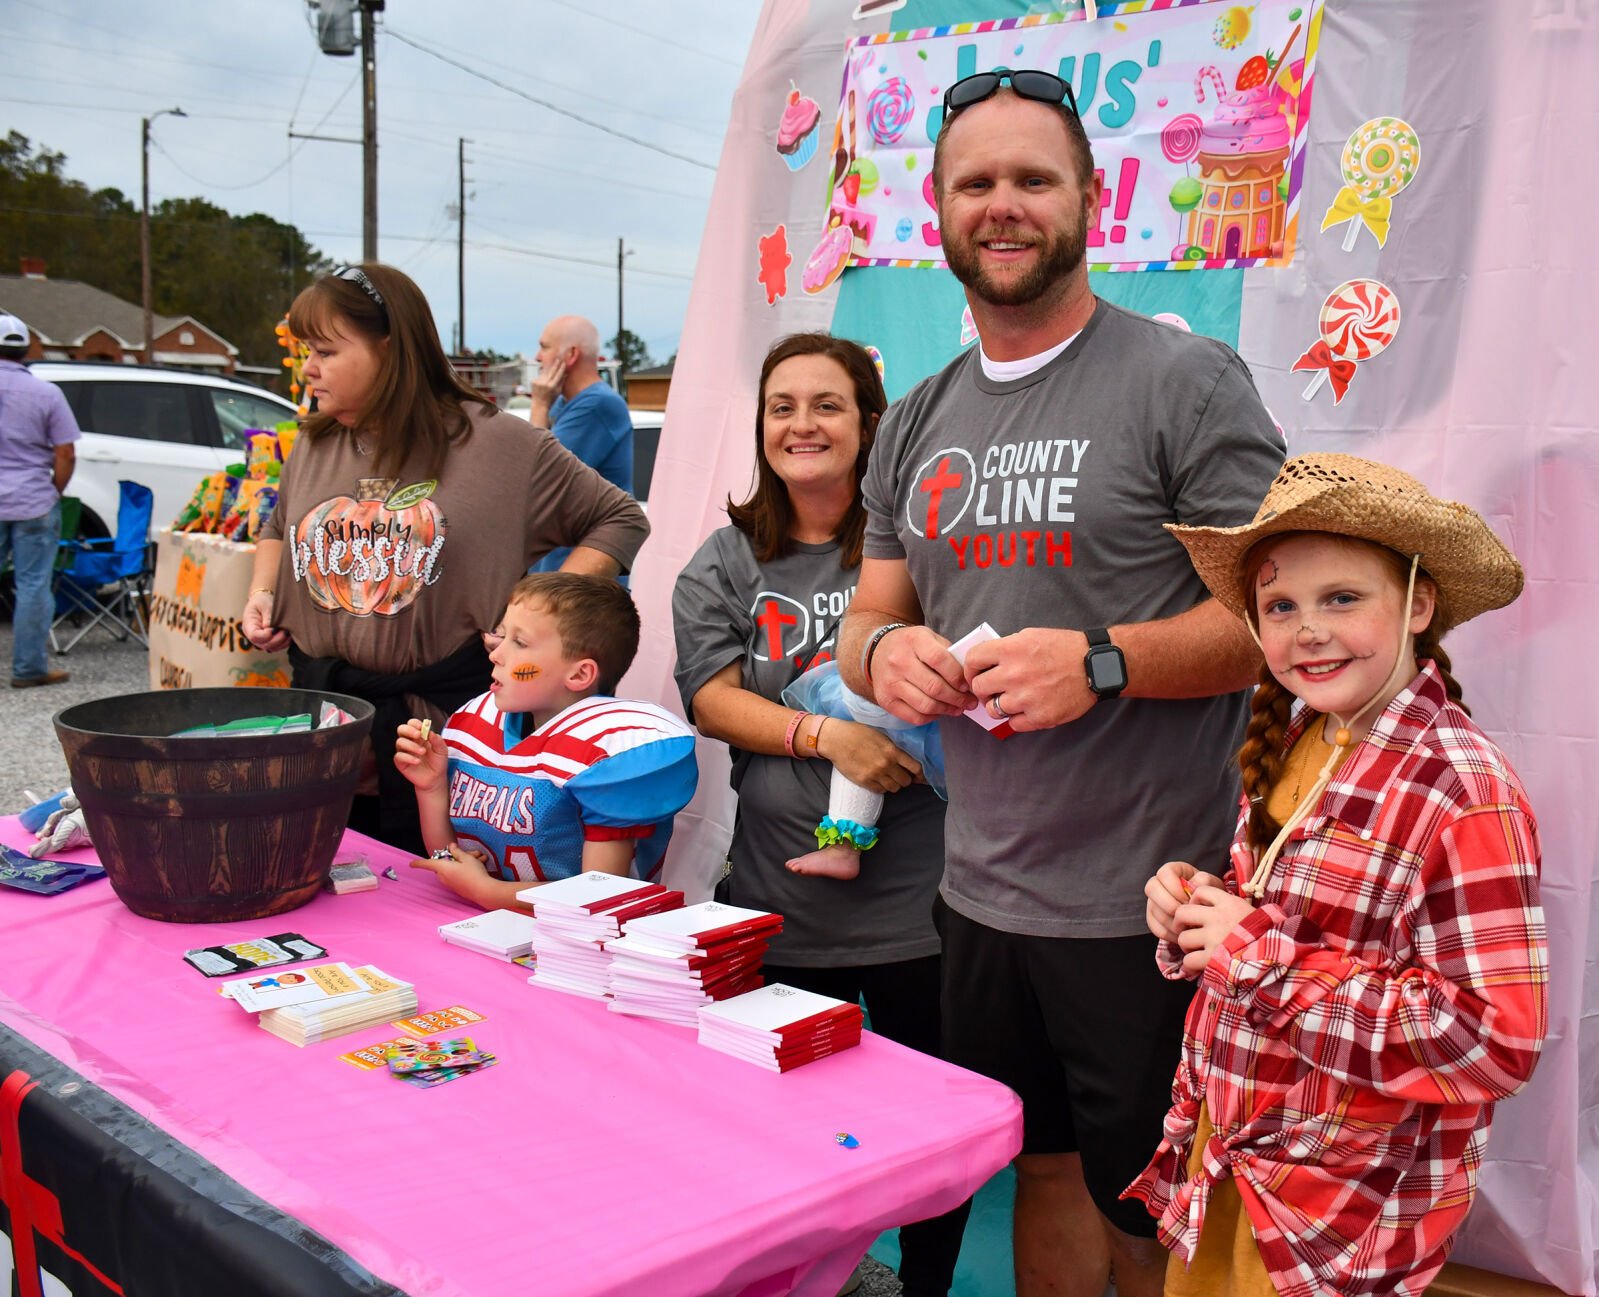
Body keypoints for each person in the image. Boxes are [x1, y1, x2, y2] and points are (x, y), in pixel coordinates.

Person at [836, 70, 1285, 1297]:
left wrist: (1101, 662)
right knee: (1034, 1169)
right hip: (980, 896)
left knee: (1149, 1211)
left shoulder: (1184, 383)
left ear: (1091, 199)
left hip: (1151, 905)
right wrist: (886, 657)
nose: (1005, 204)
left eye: (1034, 178)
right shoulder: (915, 419)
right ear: (937, 213)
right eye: (976, 182)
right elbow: (869, 617)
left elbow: (1274, 627)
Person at [1128, 453, 1546, 1297]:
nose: (1304, 628)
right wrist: (1200, 910)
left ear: (1418, 604)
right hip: (1234, 1163)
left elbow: (1492, 1041)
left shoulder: (1461, 789)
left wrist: (1254, 954)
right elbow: (1285, 920)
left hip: (1338, 1219)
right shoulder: (1302, 737)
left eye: (1341, 597)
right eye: (1278, 605)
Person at [673, 333, 962, 1297]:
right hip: (776, 906)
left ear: (870, 423)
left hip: (920, 912)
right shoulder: (724, 561)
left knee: (927, 1139)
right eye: (781, 406)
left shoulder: (917, 547)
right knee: (772, 1133)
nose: (802, 424)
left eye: (827, 404)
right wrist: (825, 738)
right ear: (760, 429)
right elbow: (709, 698)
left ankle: (921, 1287)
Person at [242, 265, 648, 854]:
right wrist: (262, 591)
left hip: (442, 748)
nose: (309, 369)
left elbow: (620, 518)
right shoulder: (314, 441)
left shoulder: (500, 447)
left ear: (390, 348)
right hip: (326, 730)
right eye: (307, 352)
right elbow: (277, 524)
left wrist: (534, 620)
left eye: (326, 351)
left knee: (430, 904)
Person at [394, 572, 697, 911]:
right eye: (502, 635)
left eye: (520, 643)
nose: (496, 653)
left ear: (580, 674)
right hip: (479, 924)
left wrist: (486, 892)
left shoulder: (608, 752)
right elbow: (452, 860)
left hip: (573, 948)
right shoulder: (473, 721)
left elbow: (601, 898)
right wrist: (431, 788)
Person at [0, 311, 78, 689]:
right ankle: (29, 668)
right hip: (33, 498)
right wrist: (54, 491)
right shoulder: (47, 393)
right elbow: (65, 453)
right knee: (32, 585)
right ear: (26, 349)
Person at [527, 315, 635, 573]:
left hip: (578, 581)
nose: (538, 357)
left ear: (571, 355)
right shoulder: (569, 403)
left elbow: (534, 475)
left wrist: (539, 405)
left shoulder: (597, 405)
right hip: (560, 570)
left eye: (544, 347)